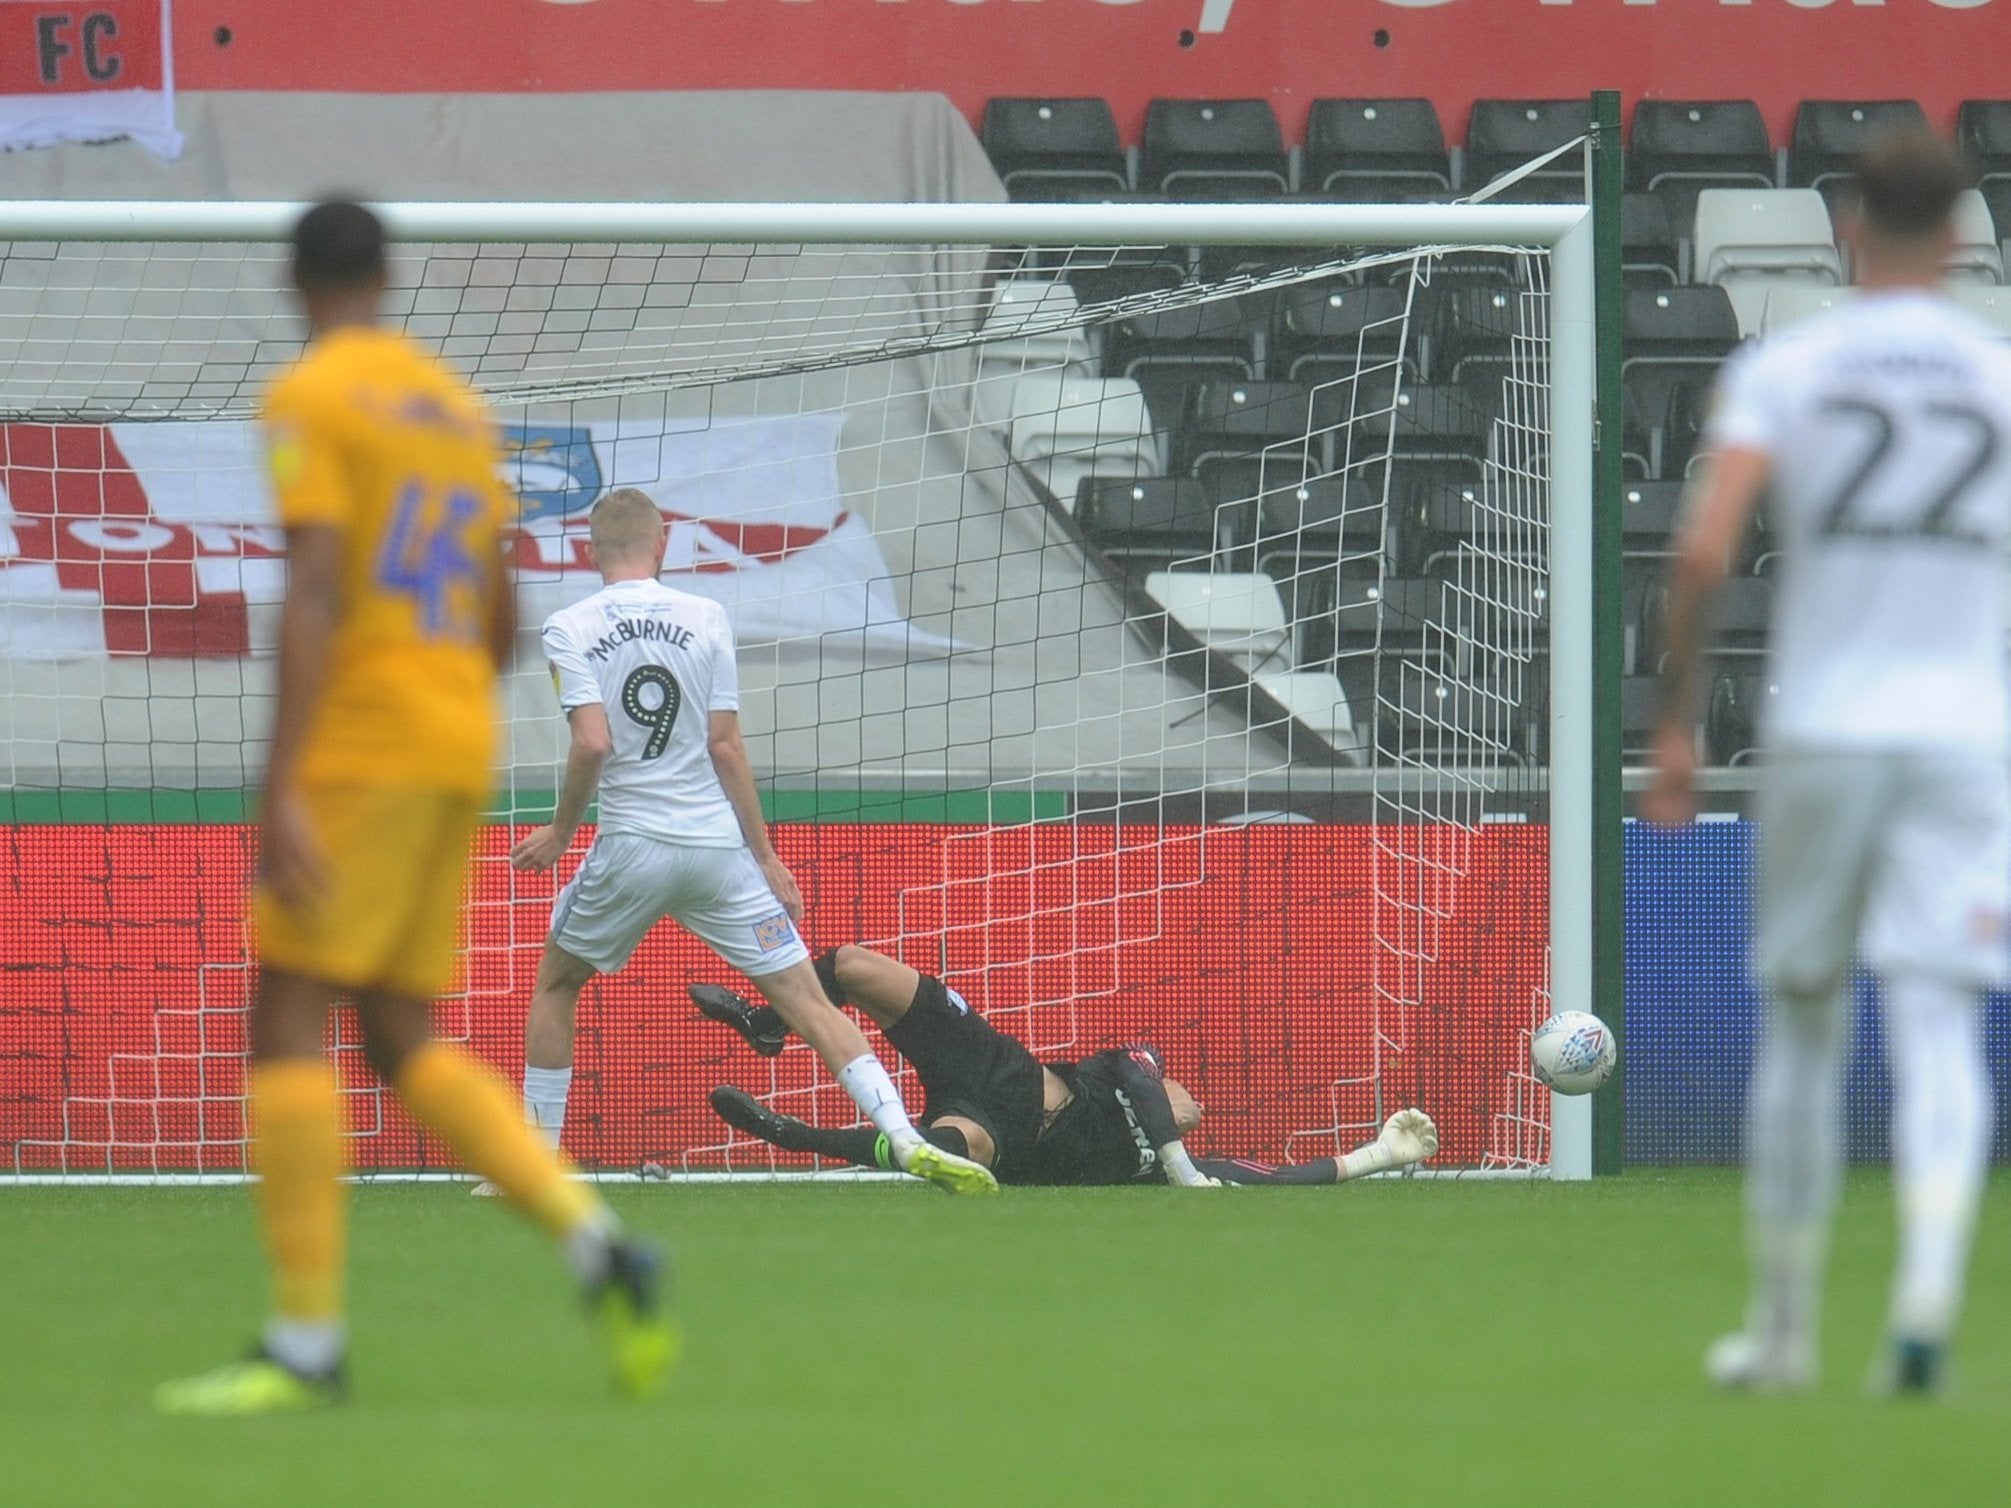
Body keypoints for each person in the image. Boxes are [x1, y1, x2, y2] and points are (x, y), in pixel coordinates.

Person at [155, 203, 672, 1417]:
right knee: (397, 1035)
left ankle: (304, 1342)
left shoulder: (312, 395)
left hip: (369, 738)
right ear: (389, 277)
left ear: (295, 282)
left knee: (284, 1014)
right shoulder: (453, 408)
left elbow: (318, 583)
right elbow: (497, 610)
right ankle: (604, 1251)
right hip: (457, 741)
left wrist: (285, 771)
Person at [1646, 129, 2011, 1396]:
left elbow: (1701, 551)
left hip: (1828, 729)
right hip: (1968, 734)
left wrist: (1679, 716)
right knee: (1939, 1020)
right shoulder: (1999, 372)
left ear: (1848, 225)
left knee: (1803, 1027)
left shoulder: (1790, 363)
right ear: (1962, 235)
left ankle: (1787, 1329)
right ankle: (1923, 1299)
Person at [500, 488, 997, 1196]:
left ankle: (532, 1165)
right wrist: (764, 856)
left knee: (557, 985)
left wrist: (560, 830)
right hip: (716, 853)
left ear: (588, 549)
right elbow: (726, 745)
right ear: (663, 542)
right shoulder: (707, 617)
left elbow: (592, 742)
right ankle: (907, 1138)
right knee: (809, 1004)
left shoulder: (568, 626)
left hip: (633, 844)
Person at [694, 943, 1439, 1187]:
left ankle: (789, 1135)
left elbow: (1273, 1181)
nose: (1190, 1102)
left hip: (1008, 1134)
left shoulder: (1159, 1169)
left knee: (952, 1151)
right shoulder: (1127, 1069)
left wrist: (1376, 1154)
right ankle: (767, 1024)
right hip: (995, 1065)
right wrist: (1182, 1168)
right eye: (1183, 1092)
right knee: (854, 965)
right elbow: (1149, 1083)